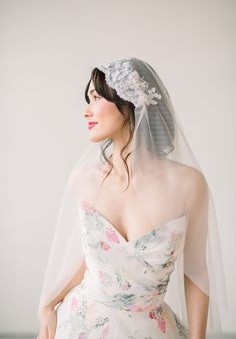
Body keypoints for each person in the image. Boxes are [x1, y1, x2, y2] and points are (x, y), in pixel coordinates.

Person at [37, 57, 228, 338]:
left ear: (129, 104)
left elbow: (196, 270)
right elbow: (87, 261)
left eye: (95, 98)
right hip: (79, 325)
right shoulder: (84, 179)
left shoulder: (189, 184)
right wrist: (48, 304)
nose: (86, 111)